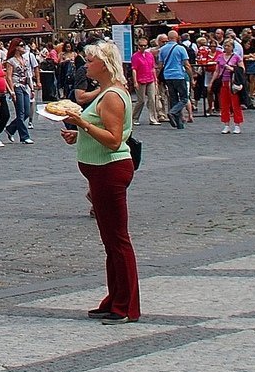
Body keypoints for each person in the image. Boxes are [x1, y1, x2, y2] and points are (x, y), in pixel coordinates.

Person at [54, 42, 138, 323]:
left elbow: (114, 140)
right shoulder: (105, 92)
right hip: (100, 170)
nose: (86, 66)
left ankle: (125, 305)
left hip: (110, 169)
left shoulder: (112, 95)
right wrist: (79, 136)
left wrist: (82, 124)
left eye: (90, 61)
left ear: (104, 64)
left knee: (117, 240)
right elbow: (103, 132)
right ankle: (114, 298)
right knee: (110, 241)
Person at [158, 32, 191, 130]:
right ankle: (173, 112)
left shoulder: (162, 49)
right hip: (179, 75)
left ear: (168, 38)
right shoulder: (181, 48)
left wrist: (157, 76)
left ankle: (178, 123)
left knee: (173, 98)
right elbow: (186, 64)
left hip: (168, 76)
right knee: (184, 98)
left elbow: (160, 65)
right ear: (177, 38)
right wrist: (191, 76)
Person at [216, 36, 245, 134]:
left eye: (228, 46)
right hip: (223, 82)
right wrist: (213, 81)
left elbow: (242, 70)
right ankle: (226, 124)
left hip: (233, 83)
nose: (226, 47)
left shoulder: (236, 57)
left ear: (232, 47)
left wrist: (233, 69)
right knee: (224, 104)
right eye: (225, 45)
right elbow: (217, 70)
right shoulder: (220, 57)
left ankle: (237, 125)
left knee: (235, 104)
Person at [132, 40, 162, 125]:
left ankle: (153, 118)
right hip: (140, 79)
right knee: (141, 100)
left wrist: (155, 79)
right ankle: (134, 118)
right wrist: (135, 82)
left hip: (150, 79)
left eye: (145, 45)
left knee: (152, 99)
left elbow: (152, 68)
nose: (143, 47)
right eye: (141, 45)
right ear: (138, 46)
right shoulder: (135, 56)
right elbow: (134, 69)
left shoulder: (149, 55)